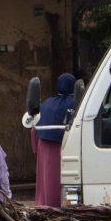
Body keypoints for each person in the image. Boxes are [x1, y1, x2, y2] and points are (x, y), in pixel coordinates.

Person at [32, 73, 75, 208]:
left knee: (47, 178)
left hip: (44, 146)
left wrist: (36, 146)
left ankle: (45, 204)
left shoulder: (47, 103)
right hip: (65, 146)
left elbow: (34, 126)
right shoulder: (75, 103)